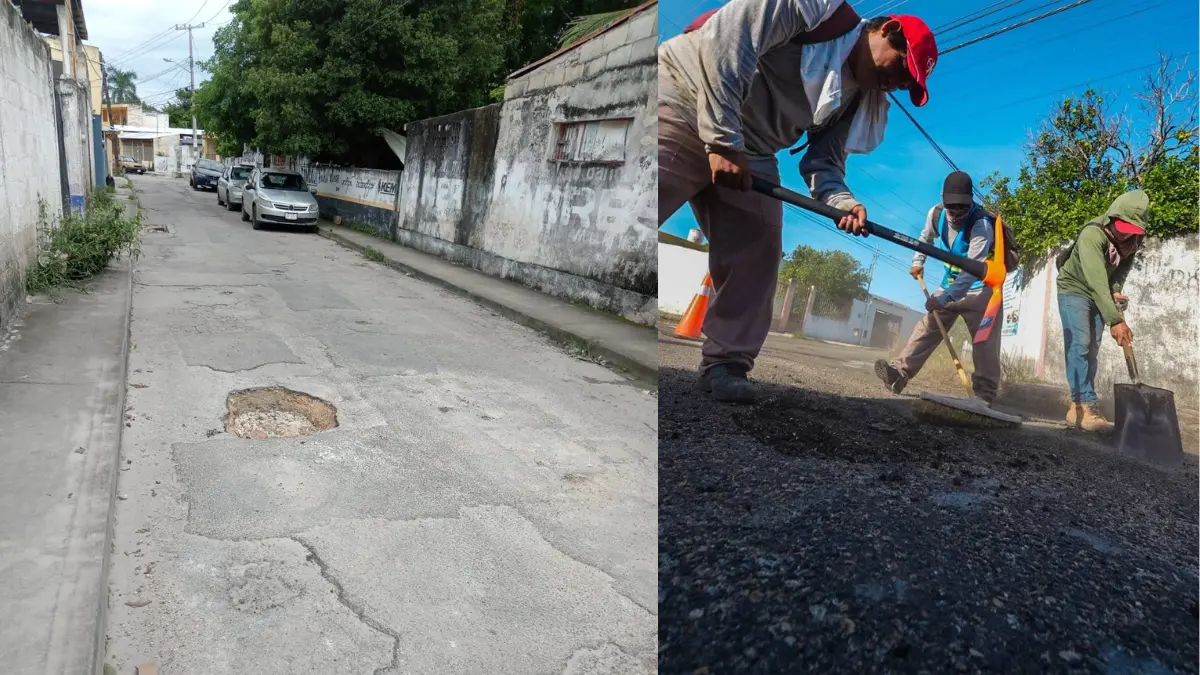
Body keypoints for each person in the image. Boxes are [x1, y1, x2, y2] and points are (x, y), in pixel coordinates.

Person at [658, 0, 939, 403]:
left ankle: (726, 363)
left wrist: (842, 201)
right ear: (885, 30)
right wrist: (721, 139)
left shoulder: (858, 99)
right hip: (685, 99)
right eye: (900, 67)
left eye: (907, 84)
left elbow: (824, 163)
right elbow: (729, 37)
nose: (896, 83)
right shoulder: (816, 10)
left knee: (759, 246)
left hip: (750, 151)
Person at [874, 171, 1003, 403]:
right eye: (951, 208)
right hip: (950, 285)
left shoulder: (981, 224)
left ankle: (984, 396)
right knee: (927, 327)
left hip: (981, 292)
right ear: (943, 200)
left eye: (962, 208)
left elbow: (971, 269)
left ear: (970, 201)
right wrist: (917, 262)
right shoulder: (935, 215)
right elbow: (925, 239)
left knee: (984, 342)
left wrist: (944, 299)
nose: (955, 214)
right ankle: (899, 374)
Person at [1055, 189, 1148, 432]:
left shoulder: (1133, 241)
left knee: (1092, 348)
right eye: (1124, 226)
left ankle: (1078, 405)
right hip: (1074, 287)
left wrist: (1116, 288)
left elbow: (1120, 271)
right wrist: (1116, 320)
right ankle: (1084, 405)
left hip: (1100, 291)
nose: (1127, 234)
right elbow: (1096, 281)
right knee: (1080, 343)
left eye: (1133, 230)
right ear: (1113, 217)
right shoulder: (1092, 235)